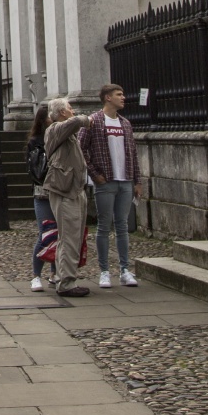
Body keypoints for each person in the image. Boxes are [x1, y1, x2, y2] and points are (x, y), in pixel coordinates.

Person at [81, 82, 142, 288]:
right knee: (104, 226)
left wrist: (137, 180)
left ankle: (125, 269)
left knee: (123, 225)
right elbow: (81, 149)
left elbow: (133, 153)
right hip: (105, 181)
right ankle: (104, 270)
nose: (123, 97)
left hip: (125, 180)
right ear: (108, 97)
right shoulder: (94, 121)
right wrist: (95, 174)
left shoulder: (125, 123)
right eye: (119, 94)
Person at [43, 97, 89, 298]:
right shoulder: (54, 130)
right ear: (62, 112)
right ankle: (66, 283)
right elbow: (77, 121)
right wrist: (87, 118)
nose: (73, 111)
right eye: (70, 108)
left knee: (73, 237)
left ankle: (65, 278)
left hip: (75, 189)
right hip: (64, 191)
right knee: (69, 238)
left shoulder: (67, 134)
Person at [25, 101, 56, 292]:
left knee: (59, 235)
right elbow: (35, 171)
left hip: (62, 193)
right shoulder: (35, 142)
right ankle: (36, 276)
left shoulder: (64, 136)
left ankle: (54, 273)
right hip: (43, 193)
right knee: (45, 233)